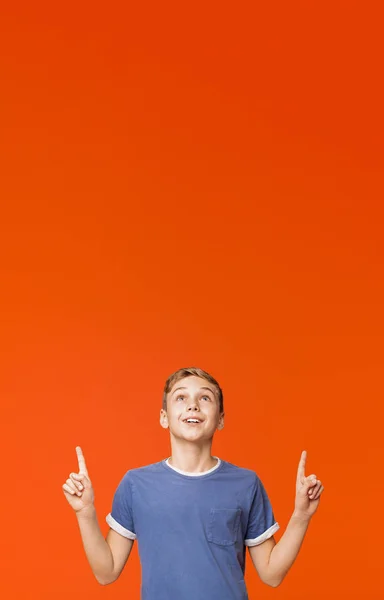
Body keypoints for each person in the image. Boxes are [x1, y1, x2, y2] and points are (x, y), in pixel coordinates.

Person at [62, 366, 324, 598]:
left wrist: (301, 515)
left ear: (220, 418)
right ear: (164, 417)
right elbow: (106, 572)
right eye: (181, 397)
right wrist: (85, 512)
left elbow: (271, 575)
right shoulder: (136, 484)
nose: (193, 405)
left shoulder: (246, 484)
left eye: (205, 398)